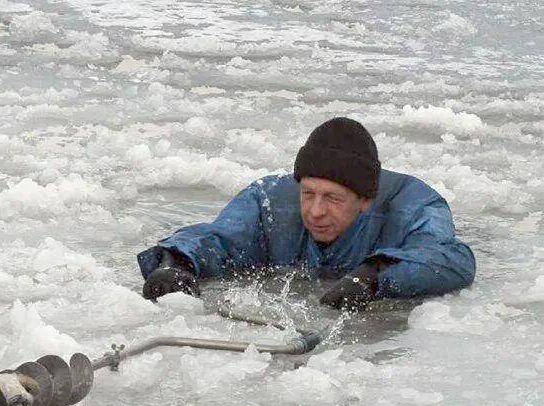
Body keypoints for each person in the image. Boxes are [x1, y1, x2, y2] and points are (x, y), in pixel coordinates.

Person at [138, 117, 476, 308]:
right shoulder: (269, 201)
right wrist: (175, 264)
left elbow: (451, 260)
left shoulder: (415, 207)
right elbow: (218, 238)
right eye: (308, 194)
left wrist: (373, 276)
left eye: (333, 198)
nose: (315, 211)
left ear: (365, 200)